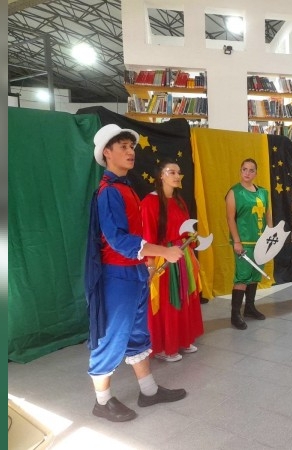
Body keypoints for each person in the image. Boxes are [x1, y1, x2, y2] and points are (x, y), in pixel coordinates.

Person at [85, 124, 187, 423]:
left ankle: (149, 391)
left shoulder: (126, 187)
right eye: (123, 147)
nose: (131, 152)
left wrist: (146, 263)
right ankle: (102, 401)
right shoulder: (108, 192)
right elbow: (118, 240)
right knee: (111, 337)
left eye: (132, 147)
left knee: (138, 334)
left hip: (134, 272)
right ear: (107, 153)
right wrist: (163, 251)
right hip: (117, 276)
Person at [140, 161, 204, 362]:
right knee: (167, 302)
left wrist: (192, 242)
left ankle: (182, 340)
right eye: (171, 172)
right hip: (163, 258)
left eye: (178, 172)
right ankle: (164, 347)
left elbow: (185, 230)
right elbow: (147, 236)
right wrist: (151, 265)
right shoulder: (149, 202)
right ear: (161, 175)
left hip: (182, 257)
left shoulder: (179, 200)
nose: (177, 176)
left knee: (184, 298)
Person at [225, 158, 273, 330]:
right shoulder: (234, 192)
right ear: (240, 171)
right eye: (244, 169)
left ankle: (250, 308)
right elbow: (230, 218)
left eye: (251, 170)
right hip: (244, 242)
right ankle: (235, 314)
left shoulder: (263, 192)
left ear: (256, 173)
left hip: (261, 241)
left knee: (255, 275)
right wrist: (237, 241)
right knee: (242, 277)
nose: (247, 173)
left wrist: (271, 237)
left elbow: (268, 215)